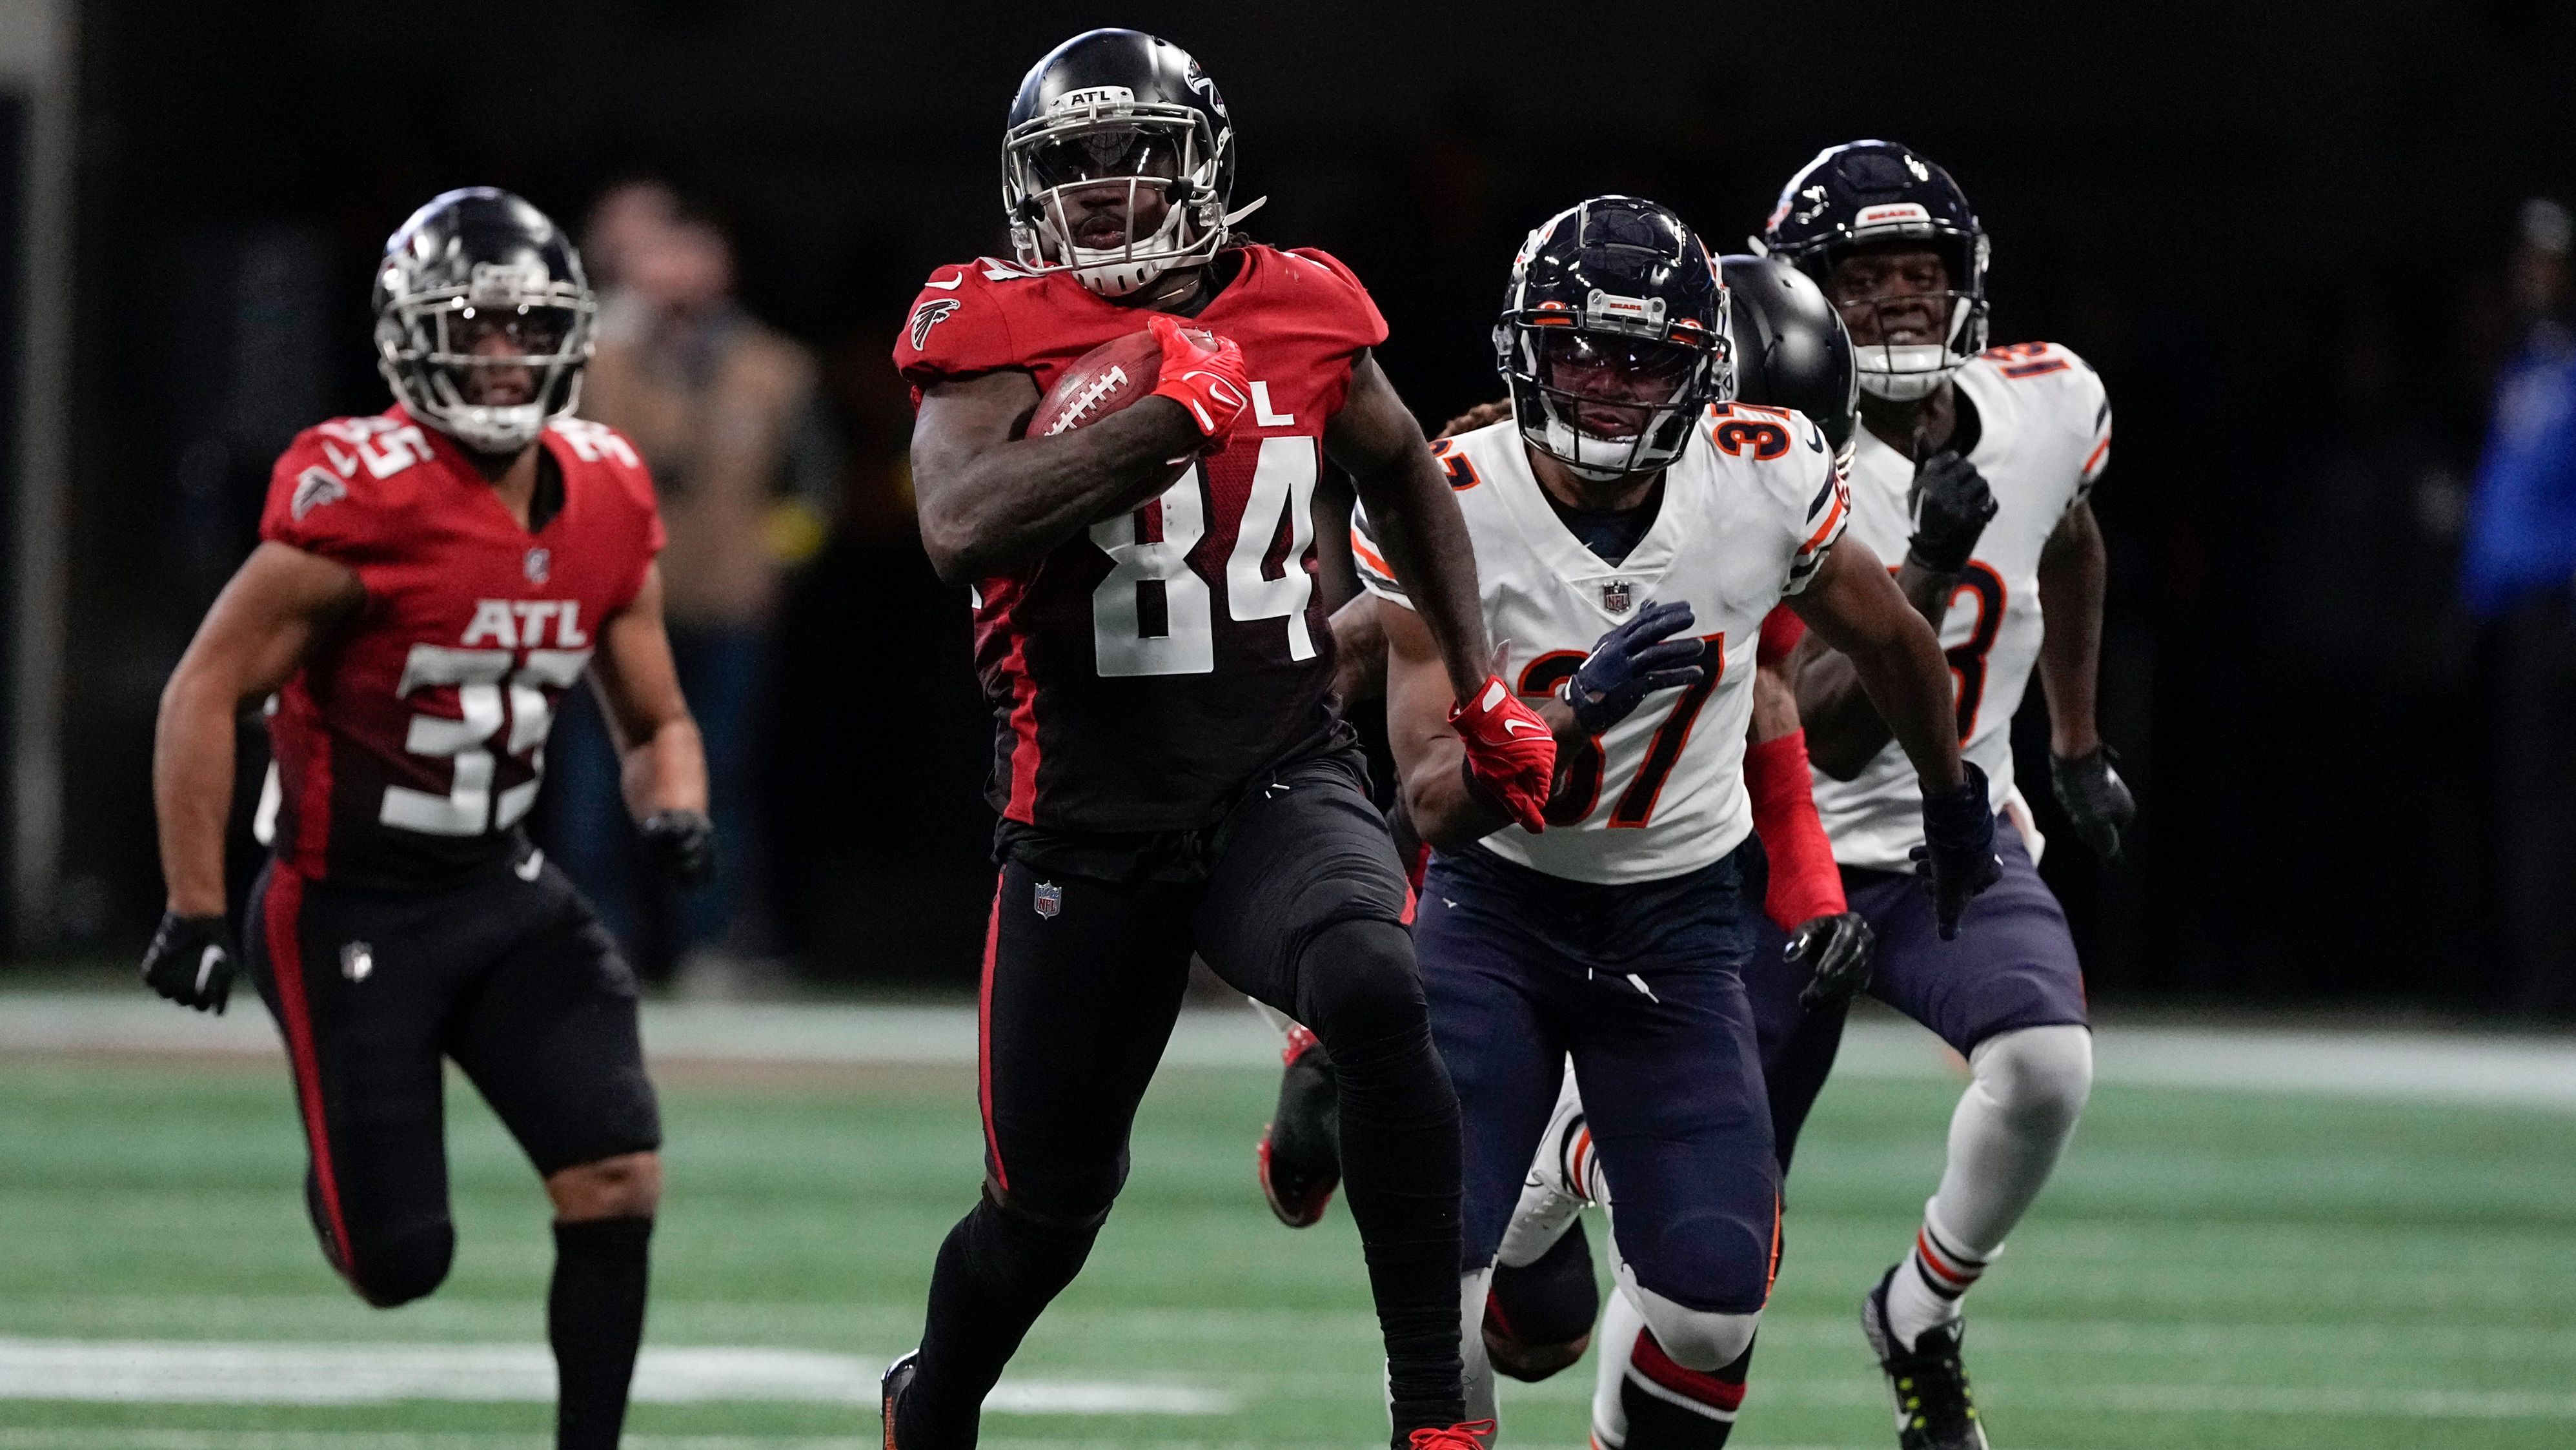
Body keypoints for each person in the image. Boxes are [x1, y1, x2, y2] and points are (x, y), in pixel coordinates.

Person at [880, 29, 1554, 1450]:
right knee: (1044, 1212)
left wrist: (1482, 683)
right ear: (1028, 190)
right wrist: (1150, 423)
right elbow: (957, 530)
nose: (1106, 190)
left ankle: (1434, 1414)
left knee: (1377, 980)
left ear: (1204, 167)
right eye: (1072, 166)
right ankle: (931, 1401)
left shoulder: (1302, 304)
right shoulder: (990, 322)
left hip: (1273, 770)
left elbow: (1407, 474)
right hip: (1081, 822)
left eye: (1137, 156)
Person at [1354, 195, 1992, 1449]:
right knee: (1442, 1282)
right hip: (1497, 911)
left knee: (1710, 1302)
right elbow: (1430, 797)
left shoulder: (1759, 475)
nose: (1604, 386)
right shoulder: (1454, 498)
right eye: (1579, 348)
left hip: (1679, 923)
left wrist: (1951, 792)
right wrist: (1564, 731)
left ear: (1701, 368)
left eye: (1643, 357)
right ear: (1522, 351)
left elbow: (1897, 642)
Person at [138, 189, 713, 1450]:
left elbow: (656, 713)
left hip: (504, 891)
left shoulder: (608, 487)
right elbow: (205, 687)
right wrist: (192, 902)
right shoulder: (361, 494)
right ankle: (353, 1149)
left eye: (526, 329)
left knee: (617, 1173)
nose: (504, 356)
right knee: (399, 1262)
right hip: (349, 902)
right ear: (410, 338)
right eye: (477, 329)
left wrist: (674, 805)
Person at [1758, 141, 2127, 1449]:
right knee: (1704, 1258)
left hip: (1944, 844)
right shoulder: (1770, 452)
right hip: (1764, 859)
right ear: (1805, 294)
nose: (1901, 301)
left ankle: (1920, 1308)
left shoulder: (2044, 404)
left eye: (1922, 272)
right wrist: (1920, 566)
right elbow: (1828, 744)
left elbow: (2071, 534)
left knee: (2043, 1067)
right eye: (1865, 279)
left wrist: (2073, 745)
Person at [549, 183, 835, 985]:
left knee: (719, 778)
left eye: (701, 253)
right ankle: (599, 939)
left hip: (727, 606)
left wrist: (777, 560)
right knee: (597, 778)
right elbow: (551, 464)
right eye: (670, 252)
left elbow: (812, 487)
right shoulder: (598, 359)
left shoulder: (775, 368)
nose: (685, 270)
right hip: (615, 605)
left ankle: (710, 943)